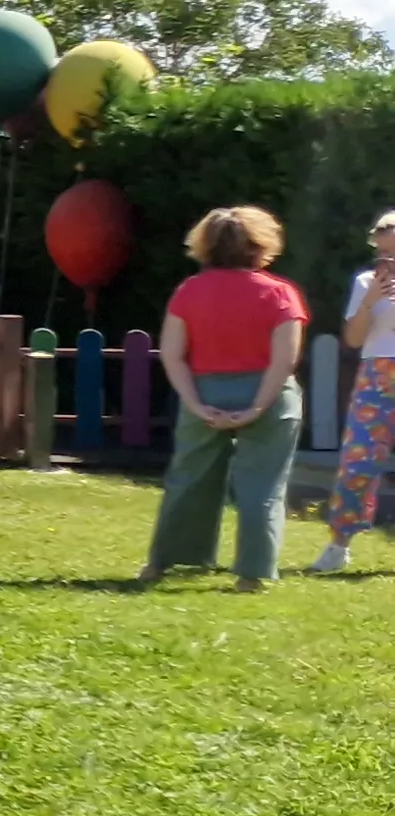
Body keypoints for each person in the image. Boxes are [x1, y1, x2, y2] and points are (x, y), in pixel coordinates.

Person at [150, 206, 308, 591]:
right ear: (261, 245)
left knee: (188, 479)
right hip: (269, 397)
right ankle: (252, 575)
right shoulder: (279, 293)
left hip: (205, 390)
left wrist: (195, 403)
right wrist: (257, 407)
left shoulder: (189, 291)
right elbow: (284, 360)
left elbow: (172, 353)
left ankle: (163, 564)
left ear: (205, 244)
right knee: (262, 487)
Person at [312, 209, 395, 575]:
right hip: (377, 372)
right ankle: (338, 545)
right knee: (359, 459)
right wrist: (370, 298)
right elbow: (354, 338)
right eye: (382, 251)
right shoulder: (365, 282)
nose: (387, 259)